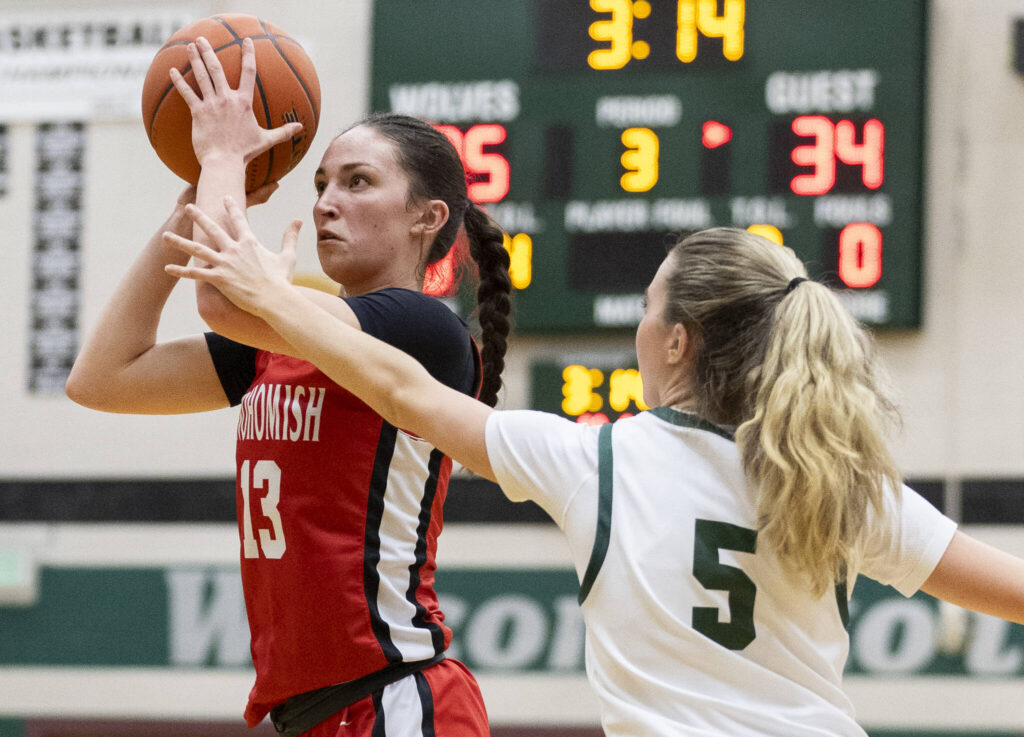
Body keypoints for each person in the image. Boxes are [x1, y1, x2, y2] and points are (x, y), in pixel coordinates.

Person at [161, 208, 1024, 736]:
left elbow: (399, 387)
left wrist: (272, 301)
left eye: (650, 306)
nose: (641, 327)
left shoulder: (597, 460)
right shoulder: (836, 480)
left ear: (678, 341)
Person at [65, 37, 510, 737]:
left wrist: (220, 159)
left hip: (398, 695)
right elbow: (103, 377)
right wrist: (187, 210)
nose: (329, 200)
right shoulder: (279, 344)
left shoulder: (418, 327)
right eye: (322, 183)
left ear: (427, 218)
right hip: (313, 713)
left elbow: (222, 303)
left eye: (358, 182)